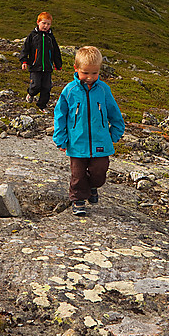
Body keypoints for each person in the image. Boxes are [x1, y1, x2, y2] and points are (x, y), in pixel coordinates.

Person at [53, 46, 125, 216]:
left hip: (101, 142)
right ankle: (78, 200)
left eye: (95, 73)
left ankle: (93, 186)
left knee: (100, 172)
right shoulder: (69, 91)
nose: (90, 78)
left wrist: (115, 133)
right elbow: (60, 115)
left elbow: (114, 112)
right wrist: (60, 138)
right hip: (77, 142)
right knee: (77, 175)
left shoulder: (103, 90)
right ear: (76, 69)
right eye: (85, 73)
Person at [19, 11, 63, 112]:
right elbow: (25, 49)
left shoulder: (51, 37)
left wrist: (58, 64)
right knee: (36, 85)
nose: (45, 26)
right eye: (44, 23)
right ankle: (30, 93)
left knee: (46, 87)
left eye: (48, 24)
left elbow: (56, 51)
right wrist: (24, 61)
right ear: (38, 22)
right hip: (35, 66)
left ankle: (42, 105)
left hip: (47, 67)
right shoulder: (32, 36)